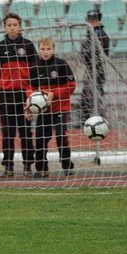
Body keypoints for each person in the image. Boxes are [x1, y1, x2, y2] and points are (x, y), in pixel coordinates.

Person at [0, 13, 37, 178]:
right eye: (9, 25)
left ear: (20, 26)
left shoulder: (28, 45)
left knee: (25, 132)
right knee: (7, 133)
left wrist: (31, 95)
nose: (12, 28)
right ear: (4, 27)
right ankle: (8, 166)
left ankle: (28, 166)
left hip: (24, 95)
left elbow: (35, 72)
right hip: (6, 95)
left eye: (15, 25)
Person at [27, 37, 77, 178]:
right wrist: (29, 104)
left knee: (61, 135)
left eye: (48, 49)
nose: (45, 52)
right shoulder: (35, 67)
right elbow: (30, 89)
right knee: (40, 138)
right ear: (39, 50)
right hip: (43, 110)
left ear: (53, 49)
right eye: (43, 49)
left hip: (60, 107)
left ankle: (67, 165)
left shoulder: (62, 64)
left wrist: (53, 94)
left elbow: (71, 86)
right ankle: (42, 168)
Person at [79, 10, 110, 122]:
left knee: (93, 97)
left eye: (93, 19)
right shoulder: (92, 33)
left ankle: (95, 120)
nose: (91, 22)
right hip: (91, 69)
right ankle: (91, 119)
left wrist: (85, 53)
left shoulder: (100, 34)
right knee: (89, 97)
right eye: (90, 19)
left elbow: (97, 53)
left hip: (97, 70)